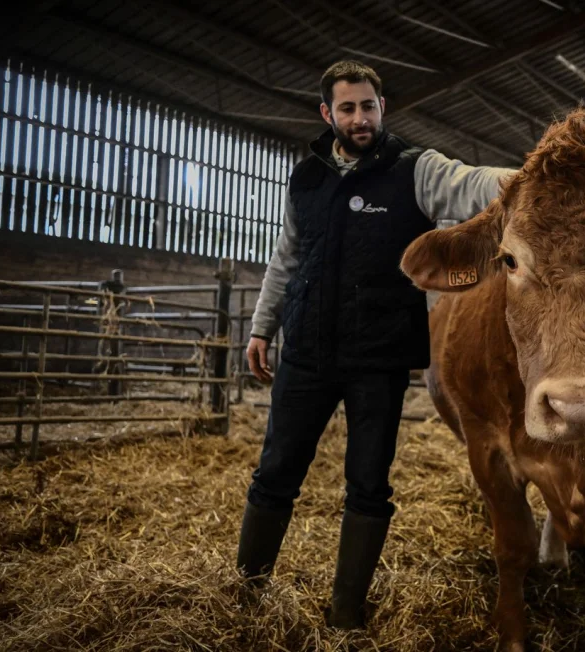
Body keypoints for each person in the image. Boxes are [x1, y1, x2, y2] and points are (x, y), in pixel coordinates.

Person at [235, 59, 517, 628]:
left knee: (368, 485)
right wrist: (262, 326)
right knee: (275, 471)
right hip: (307, 351)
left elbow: (472, 183)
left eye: (368, 106)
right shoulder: (305, 178)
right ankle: (245, 593)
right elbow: (287, 258)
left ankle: (345, 613)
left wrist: (534, 176)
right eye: (347, 108)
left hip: (379, 359)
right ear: (327, 113)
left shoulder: (415, 169)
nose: (360, 118)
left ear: (382, 108)